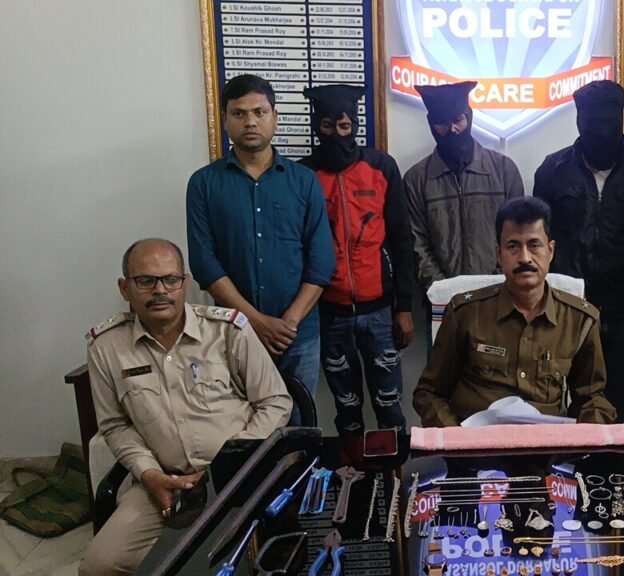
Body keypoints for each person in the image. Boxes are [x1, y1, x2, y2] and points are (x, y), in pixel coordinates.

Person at [79, 239, 291, 575]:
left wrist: (228, 464)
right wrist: (150, 475)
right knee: (99, 566)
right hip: (162, 482)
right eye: (146, 280)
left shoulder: (227, 330)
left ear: (185, 283)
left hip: (236, 477)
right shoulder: (106, 347)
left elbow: (274, 401)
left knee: (236, 562)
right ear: (124, 288)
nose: (160, 290)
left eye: (170, 279)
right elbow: (115, 426)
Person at [186, 74, 335, 399]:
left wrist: (289, 322)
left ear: (275, 117)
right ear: (225, 119)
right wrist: (253, 320)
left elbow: (322, 260)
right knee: (236, 420)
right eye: (239, 113)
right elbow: (204, 263)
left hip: (297, 335)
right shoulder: (204, 184)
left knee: (300, 420)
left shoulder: (305, 181)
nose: (250, 122)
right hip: (231, 332)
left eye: (259, 112)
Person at [413, 197, 616, 426]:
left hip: (545, 443)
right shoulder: (465, 313)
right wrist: (455, 436)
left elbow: (592, 399)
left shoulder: (580, 320)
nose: (525, 258)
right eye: (513, 246)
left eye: (534, 245)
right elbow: (429, 393)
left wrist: (587, 434)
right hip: (475, 441)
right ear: (499, 254)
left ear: (550, 251)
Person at [533, 80, 624, 423]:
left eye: (607, 123)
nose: (600, 132)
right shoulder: (553, 170)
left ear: (619, 119)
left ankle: (618, 460)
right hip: (567, 307)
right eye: (592, 123)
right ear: (579, 121)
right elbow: (542, 235)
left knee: (622, 402)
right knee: (560, 401)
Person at [299, 83, 415, 435]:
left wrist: (404, 307)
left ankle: (393, 469)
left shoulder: (381, 167)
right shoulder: (303, 175)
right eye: (327, 127)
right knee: (347, 409)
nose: (337, 134)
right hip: (329, 313)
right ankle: (353, 467)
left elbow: (402, 239)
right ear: (316, 126)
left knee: (389, 405)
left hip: (380, 312)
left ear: (356, 125)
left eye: (345, 126)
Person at [403, 81, 525, 289]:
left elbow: (518, 234)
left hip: (500, 292)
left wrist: (495, 284)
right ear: (431, 124)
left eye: (458, 120)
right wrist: (443, 290)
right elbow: (418, 243)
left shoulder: (504, 170)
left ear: (469, 117)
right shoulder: (416, 179)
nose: (452, 130)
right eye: (441, 123)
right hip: (441, 298)